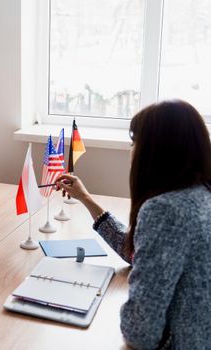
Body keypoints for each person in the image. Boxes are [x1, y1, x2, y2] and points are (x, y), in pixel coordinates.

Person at [55, 100, 211, 350]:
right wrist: (86, 198)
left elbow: (140, 331)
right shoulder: (200, 196)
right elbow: (136, 252)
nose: (131, 150)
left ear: (155, 151)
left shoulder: (166, 210)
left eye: (133, 143)